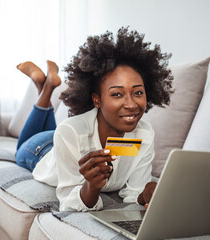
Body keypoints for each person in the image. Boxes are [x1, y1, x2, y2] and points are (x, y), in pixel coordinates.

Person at [15, 27, 174, 212]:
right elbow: (68, 203)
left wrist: (145, 194)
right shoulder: (69, 132)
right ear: (97, 99)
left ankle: (44, 85)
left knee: (57, 130)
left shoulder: (144, 135)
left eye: (137, 92)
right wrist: (91, 186)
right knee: (19, 149)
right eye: (117, 94)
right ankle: (47, 88)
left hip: (65, 138)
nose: (131, 104)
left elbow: (135, 191)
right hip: (41, 150)